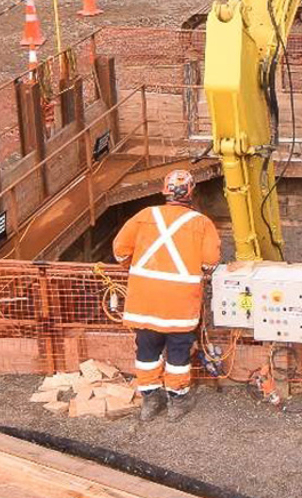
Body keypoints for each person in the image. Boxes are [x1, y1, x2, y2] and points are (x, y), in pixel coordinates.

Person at [112, 168, 221, 423]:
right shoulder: (201, 223)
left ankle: (150, 401)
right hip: (179, 305)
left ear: (165, 191)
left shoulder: (144, 216)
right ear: (191, 192)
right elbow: (210, 262)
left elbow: (120, 251)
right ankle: (177, 400)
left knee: (146, 352)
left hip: (144, 302)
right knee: (178, 354)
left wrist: (135, 268)